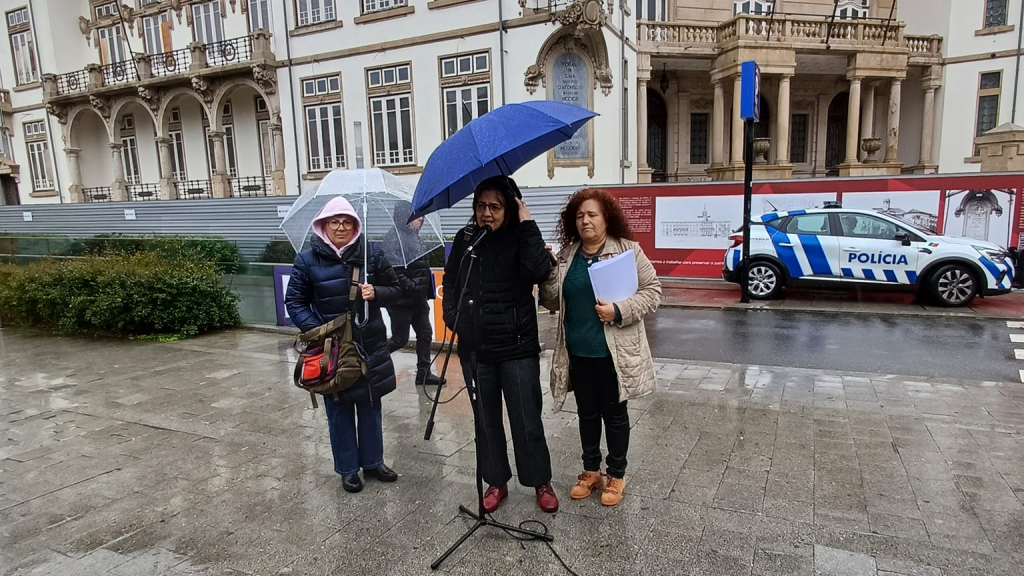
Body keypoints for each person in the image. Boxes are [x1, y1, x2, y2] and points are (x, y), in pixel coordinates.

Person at [442, 175, 559, 513]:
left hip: (517, 346)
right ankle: (496, 481)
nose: (487, 213)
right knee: (485, 420)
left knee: (526, 419)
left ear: (510, 207)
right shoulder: (466, 239)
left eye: (495, 206)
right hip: (477, 349)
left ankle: (540, 480)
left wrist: (528, 222)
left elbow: (540, 271)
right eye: (481, 206)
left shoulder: (521, 236)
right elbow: (451, 281)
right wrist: (455, 318)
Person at [540, 188, 662, 507]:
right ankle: (591, 471)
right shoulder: (567, 255)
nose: (586, 220)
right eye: (580, 215)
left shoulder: (628, 250)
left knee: (615, 415)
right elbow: (552, 301)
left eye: (592, 214)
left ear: (606, 217)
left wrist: (619, 311)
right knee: (587, 414)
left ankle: (616, 475)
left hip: (614, 353)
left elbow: (653, 291)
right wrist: (549, 270)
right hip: (578, 352)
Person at [286, 196, 402, 494]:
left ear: (356, 225)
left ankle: (374, 462)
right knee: (338, 409)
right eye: (335, 221)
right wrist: (320, 331)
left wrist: (376, 292)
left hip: (369, 344)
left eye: (347, 222)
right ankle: (348, 469)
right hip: (331, 349)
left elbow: (397, 291)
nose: (341, 227)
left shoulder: (371, 255)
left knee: (371, 404)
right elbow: (295, 302)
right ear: (323, 225)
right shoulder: (307, 260)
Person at [383, 200, 443, 387]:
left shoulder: (415, 236)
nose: (421, 219)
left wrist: (424, 289)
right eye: (417, 216)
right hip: (401, 302)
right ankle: (371, 361)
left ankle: (424, 374)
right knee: (399, 340)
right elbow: (395, 272)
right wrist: (414, 287)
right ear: (405, 218)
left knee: (425, 334)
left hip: (419, 300)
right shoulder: (393, 239)